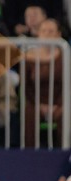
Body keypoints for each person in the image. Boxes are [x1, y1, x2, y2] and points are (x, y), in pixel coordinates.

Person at [22, 18, 64, 147]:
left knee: (66, 114)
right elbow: (26, 86)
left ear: (58, 35)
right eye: (44, 31)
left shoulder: (65, 56)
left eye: (51, 31)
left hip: (59, 101)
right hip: (35, 102)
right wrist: (39, 104)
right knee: (29, 113)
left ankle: (65, 153)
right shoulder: (27, 57)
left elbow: (68, 85)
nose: (47, 34)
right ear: (38, 34)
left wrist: (58, 105)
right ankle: (30, 155)